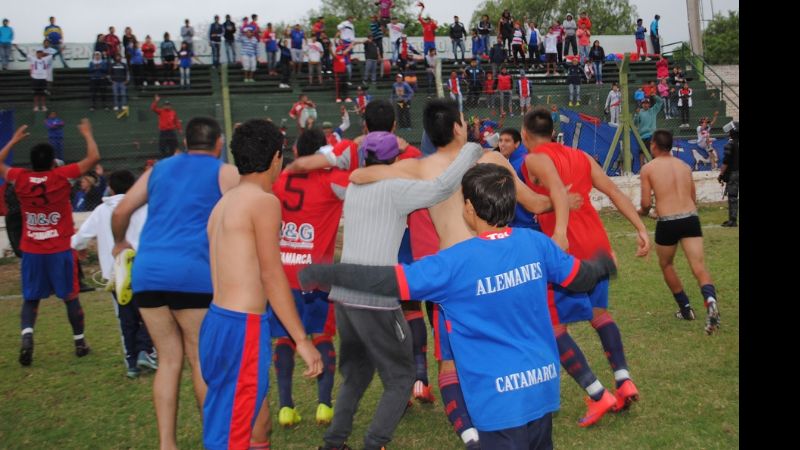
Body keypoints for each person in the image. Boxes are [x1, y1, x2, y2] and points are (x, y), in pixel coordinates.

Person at [299, 163, 617, 450]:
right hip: (542, 385)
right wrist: (603, 264)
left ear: (469, 208)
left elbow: (383, 280)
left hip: (497, 400)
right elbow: (581, 276)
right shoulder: (536, 244)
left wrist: (324, 273)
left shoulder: (453, 265)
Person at [313, 99, 485, 450]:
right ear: (393, 158)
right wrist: (470, 148)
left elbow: (335, 183)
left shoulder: (355, 188)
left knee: (357, 375)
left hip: (343, 295)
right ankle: (375, 441)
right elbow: (441, 187)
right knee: (402, 375)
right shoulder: (395, 190)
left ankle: (334, 443)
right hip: (376, 299)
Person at [111, 117, 240, 450]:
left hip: (149, 273)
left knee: (168, 359)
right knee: (200, 358)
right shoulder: (223, 171)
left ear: (185, 142)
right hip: (193, 273)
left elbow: (122, 209)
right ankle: (214, 439)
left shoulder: (159, 169)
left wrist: (120, 242)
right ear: (219, 143)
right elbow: (244, 210)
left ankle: (167, 444)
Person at [520, 108, 651, 427]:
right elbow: (614, 190)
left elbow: (554, 189)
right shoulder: (580, 156)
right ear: (552, 131)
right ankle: (624, 379)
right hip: (598, 247)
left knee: (552, 328)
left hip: (568, 253)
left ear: (525, 134)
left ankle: (598, 394)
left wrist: (560, 233)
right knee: (599, 315)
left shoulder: (533, 159)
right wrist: (641, 228)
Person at [201, 119, 322, 450]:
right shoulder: (264, 202)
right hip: (242, 327)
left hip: (216, 322)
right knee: (232, 432)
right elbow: (271, 275)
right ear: (276, 158)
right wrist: (301, 339)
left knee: (255, 420)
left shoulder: (223, 204)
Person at [0, 119, 99, 367]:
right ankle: (79, 343)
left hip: (32, 250)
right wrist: (86, 133)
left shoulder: (20, 178)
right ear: (53, 161)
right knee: (70, 296)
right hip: (59, 250)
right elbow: (93, 157)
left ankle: (27, 338)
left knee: (31, 299)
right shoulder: (60, 176)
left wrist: (12, 141)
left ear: (31, 162)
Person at [268, 128, 349, 428]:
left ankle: (286, 407)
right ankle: (324, 406)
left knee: (285, 338)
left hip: (283, 274)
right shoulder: (331, 181)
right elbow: (352, 168)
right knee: (324, 336)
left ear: (297, 154)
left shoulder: (279, 179)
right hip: (317, 278)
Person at [71, 170, 157, 378]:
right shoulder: (145, 208)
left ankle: (131, 363)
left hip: (116, 275)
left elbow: (78, 241)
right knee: (151, 313)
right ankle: (146, 350)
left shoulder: (101, 211)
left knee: (125, 319)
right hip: (143, 270)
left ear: (110, 186)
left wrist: (78, 243)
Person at [637, 129, 722, 334]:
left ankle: (685, 309)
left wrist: (642, 212)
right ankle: (710, 300)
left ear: (654, 146)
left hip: (668, 222)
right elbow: (693, 199)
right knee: (699, 267)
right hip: (691, 219)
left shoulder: (648, 168)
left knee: (666, 264)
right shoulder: (684, 166)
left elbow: (646, 203)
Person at [718, 122, 739, 227]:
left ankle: (733, 220)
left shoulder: (730, 144)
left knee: (732, 197)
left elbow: (726, 162)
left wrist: (721, 174)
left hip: (734, 174)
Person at [633, 96, 664, 168]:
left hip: (651, 135)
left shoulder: (653, 110)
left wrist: (654, 95)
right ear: (641, 104)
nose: (645, 105)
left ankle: (653, 166)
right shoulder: (639, 112)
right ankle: (641, 168)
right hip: (642, 136)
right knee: (641, 152)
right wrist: (636, 115)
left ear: (649, 104)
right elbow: (635, 123)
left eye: (647, 103)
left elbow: (660, 101)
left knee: (650, 150)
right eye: (644, 103)